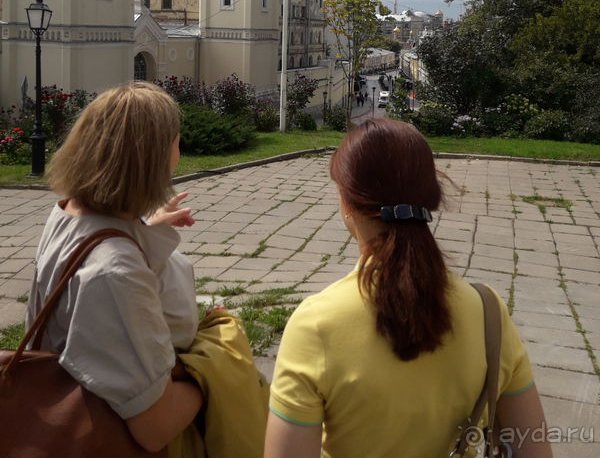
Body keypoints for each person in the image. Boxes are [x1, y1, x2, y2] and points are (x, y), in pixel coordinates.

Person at [265, 119, 553, 458]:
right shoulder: (489, 313)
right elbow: (534, 449)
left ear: (347, 204)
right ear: (428, 195)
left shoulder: (315, 326)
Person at [26, 83, 204, 453]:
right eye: (176, 143)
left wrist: (142, 225)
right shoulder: (115, 272)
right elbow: (155, 425)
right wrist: (217, 374)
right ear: (151, 161)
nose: (179, 153)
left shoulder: (67, 214)